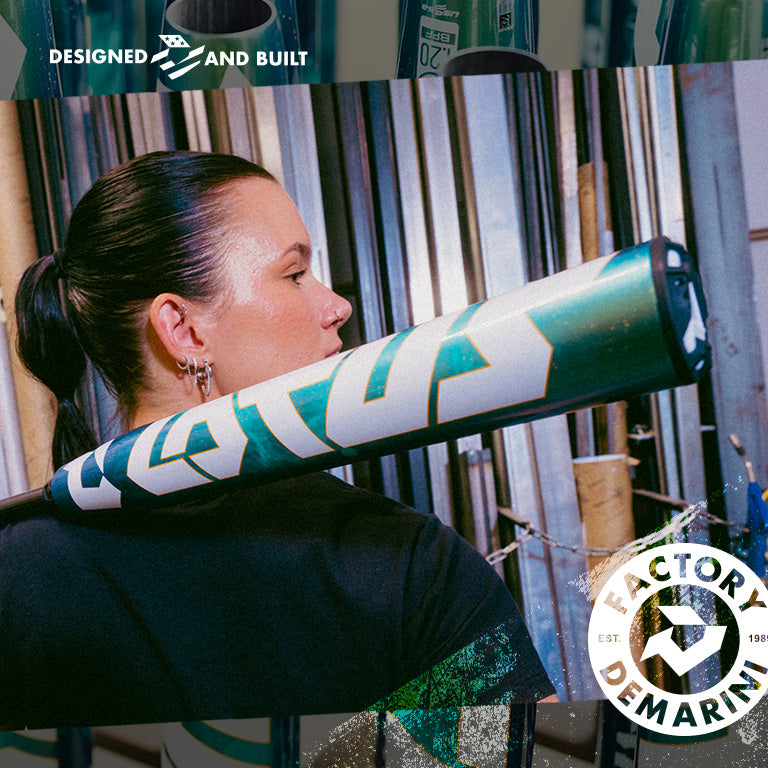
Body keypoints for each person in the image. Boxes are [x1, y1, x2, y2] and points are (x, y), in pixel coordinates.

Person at [3, 150, 555, 729]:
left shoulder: (16, 569)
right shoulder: (407, 564)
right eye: (294, 274)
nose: (337, 306)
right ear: (183, 329)